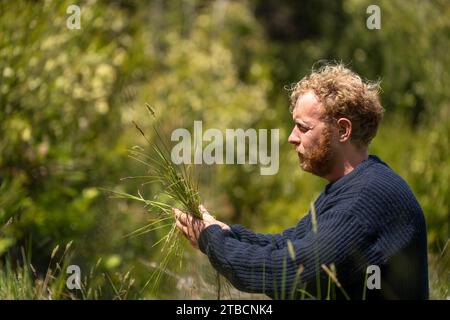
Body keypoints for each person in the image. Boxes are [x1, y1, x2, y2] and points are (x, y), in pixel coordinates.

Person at [173, 63, 429, 300]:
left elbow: (290, 273)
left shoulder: (368, 198)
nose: (292, 138)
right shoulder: (352, 186)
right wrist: (223, 231)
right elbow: (288, 244)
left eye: (303, 128)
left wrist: (212, 241)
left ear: (343, 130)